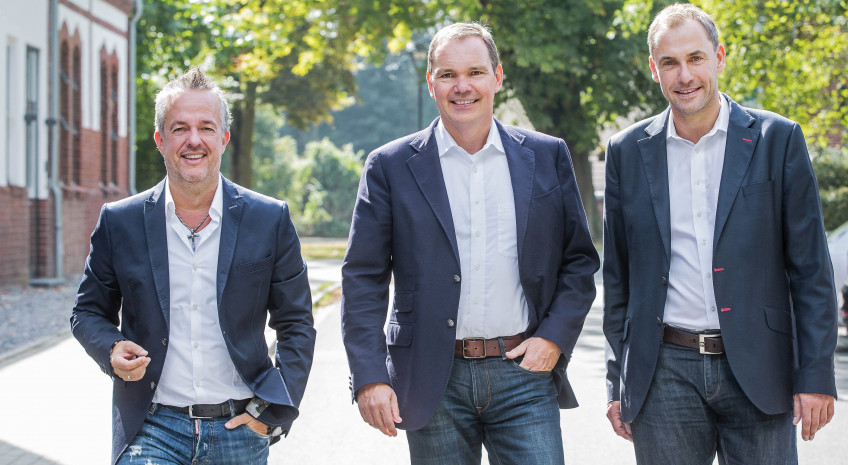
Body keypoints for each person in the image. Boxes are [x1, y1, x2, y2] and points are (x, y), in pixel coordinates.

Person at [341, 22, 599, 464]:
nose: (462, 87)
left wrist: (554, 338)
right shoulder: (390, 166)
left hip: (523, 374)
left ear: (497, 78)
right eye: (447, 75)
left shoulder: (546, 155)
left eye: (475, 73)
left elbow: (578, 261)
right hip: (430, 378)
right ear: (431, 83)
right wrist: (368, 376)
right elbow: (363, 279)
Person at [602, 4, 837, 464]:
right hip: (663, 371)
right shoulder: (627, 151)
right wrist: (618, 380)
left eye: (695, 58)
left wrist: (815, 375)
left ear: (720, 58)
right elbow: (618, 280)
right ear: (654, 70)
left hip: (758, 365)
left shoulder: (778, 139)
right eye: (669, 63)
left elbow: (810, 269)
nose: (684, 75)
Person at [71, 67, 316, 465]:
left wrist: (274, 411)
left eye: (206, 127)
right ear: (160, 140)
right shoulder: (120, 222)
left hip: (240, 428)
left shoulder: (269, 219)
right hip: (150, 428)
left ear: (223, 137)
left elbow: (297, 323)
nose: (194, 140)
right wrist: (111, 348)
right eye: (180, 128)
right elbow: (86, 312)